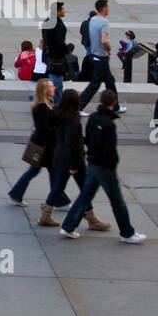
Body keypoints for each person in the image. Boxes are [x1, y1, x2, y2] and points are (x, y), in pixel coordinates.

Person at [59, 91, 147, 242]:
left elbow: (87, 138)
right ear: (113, 103)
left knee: (84, 196)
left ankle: (68, 226)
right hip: (105, 168)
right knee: (117, 200)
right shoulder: (109, 125)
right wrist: (113, 164)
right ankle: (127, 233)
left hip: (93, 163)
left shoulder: (93, 117)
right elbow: (110, 151)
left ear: (100, 101)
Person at [44, 88, 109, 232]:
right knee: (85, 189)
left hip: (60, 156)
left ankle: (46, 214)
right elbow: (71, 144)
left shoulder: (57, 113)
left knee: (59, 187)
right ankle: (92, 219)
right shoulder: (72, 121)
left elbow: (68, 139)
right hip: (74, 160)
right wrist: (73, 165)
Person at [7, 78, 58, 214]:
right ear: (45, 91)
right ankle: (57, 199)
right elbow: (44, 128)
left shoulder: (44, 104)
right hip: (42, 146)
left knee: (42, 171)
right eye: (52, 86)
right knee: (50, 171)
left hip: (42, 145)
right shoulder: (42, 107)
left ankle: (57, 198)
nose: (55, 88)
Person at [78, 0, 126, 114]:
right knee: (95, 84)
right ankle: (78, 107)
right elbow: (104, 40)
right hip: (101, 57)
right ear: (104, 8)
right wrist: (109, 50)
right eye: (108, 6)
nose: (109, 8)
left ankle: (115, 106)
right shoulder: (104, 22)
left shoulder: (93, 20)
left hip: (94, 55)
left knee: (110, 82)